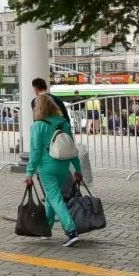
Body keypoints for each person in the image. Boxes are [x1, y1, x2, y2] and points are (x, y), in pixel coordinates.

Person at [25, 94, 83, 247]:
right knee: (52, 197)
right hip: (63, 165)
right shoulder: (63, 123)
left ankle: (71, 231)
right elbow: (71, 147)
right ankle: (46, 228)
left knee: (55, 198)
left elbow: (35, 152)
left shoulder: (38, 126)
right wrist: (77, 168)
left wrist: (29, 172)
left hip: (47, 167)